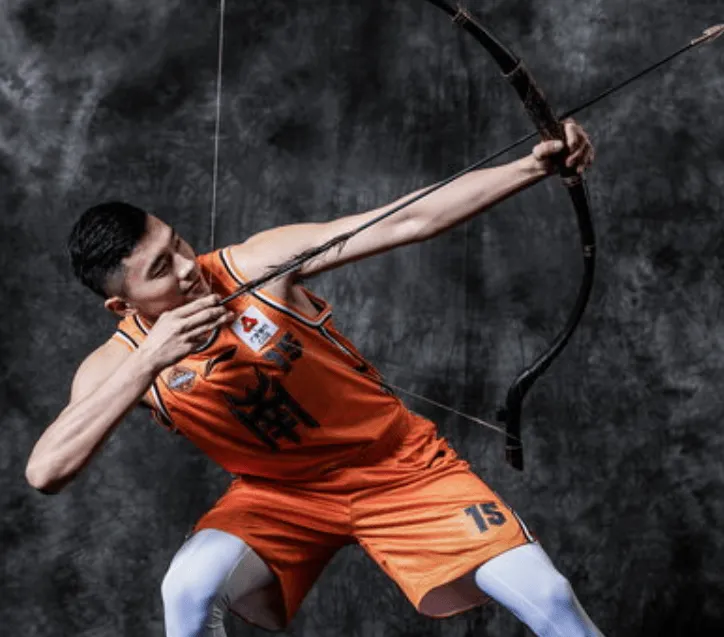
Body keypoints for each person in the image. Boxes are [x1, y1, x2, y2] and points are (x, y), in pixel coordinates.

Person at [26, 120, 602, 637]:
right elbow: (46, 472)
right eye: (160, 269)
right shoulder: (120, 361)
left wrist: (532, 168)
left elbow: (407, 219)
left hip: (401, 469)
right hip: (280, 498)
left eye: (175, 242)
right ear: (123, 307)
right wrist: (150, 359)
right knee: (187, 588)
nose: (185, 266)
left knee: (549, 595)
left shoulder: (251, 265)